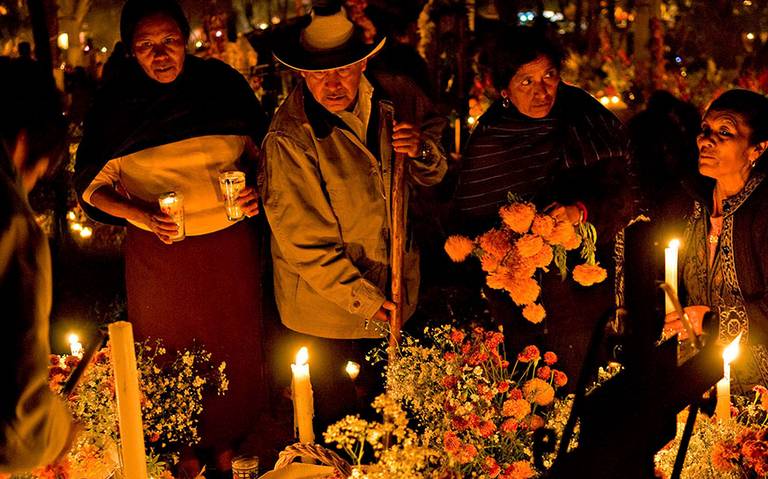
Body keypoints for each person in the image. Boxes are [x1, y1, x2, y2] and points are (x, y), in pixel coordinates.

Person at [73, 0, 269, 471]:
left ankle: (232, 441)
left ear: (186, 41)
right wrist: (137, 215)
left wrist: (258, 192)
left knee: (235, 342)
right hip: (161, 257)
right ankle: (181, 442)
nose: (160, 55)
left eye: (169, 43)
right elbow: (91, 187)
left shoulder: (223, 87)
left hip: (228, 248)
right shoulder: (117, 105)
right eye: (146, 46)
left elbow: (267, 154)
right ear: (130, 52)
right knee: (170, 347)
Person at [261, 0, 447, 432]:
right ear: (301, 74)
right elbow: (305, 243)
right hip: (329, 314)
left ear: (362, 62)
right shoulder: (289, 137)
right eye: (319, 74)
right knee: (342, 433)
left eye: (342, 68)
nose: (332, 83)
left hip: (399, 291)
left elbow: (434, 168)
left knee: (399, 429)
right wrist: (368, 301)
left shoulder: (395, 98)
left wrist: (419, 149)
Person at [451, 27, 636, 386]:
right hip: (515, 307)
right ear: (504, 90)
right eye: (526, 81)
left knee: (584, 391)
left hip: (584, 299)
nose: (542, 91)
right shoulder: (491, 138)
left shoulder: (585, 118)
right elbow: (469, 219)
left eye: (549, 76)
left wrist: (579, 212)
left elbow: (626, 192)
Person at [0, 57, 74, 473]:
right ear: (24, 142)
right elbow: (19, 433)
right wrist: (59, 431)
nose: (26, 188)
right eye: (36, 175)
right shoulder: (10, 224)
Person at [669, 89, 768, 390]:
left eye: (724, 131)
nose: (706, 140)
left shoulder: (763, 212)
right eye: (705, 130)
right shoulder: (689, 202)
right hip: (695, 379)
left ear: (757, 148)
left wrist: (713, 322)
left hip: (757, 387)